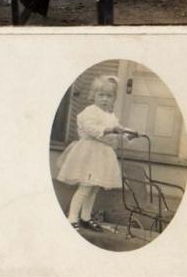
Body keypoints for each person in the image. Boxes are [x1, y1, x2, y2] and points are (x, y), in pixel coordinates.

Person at [56, 76, 138, 232]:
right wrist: (111, 130)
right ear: (93, 95)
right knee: (85, 187)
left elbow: (117, 130)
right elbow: (91, 129)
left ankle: (86, 217)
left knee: (95, 188)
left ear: (114, 99)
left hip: (103, 157)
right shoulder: (89, 112)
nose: (105, 99)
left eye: (109, 96)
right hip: (89, 154)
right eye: (101, 95)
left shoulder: (111, 116)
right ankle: (72, 217)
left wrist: (128, 134)